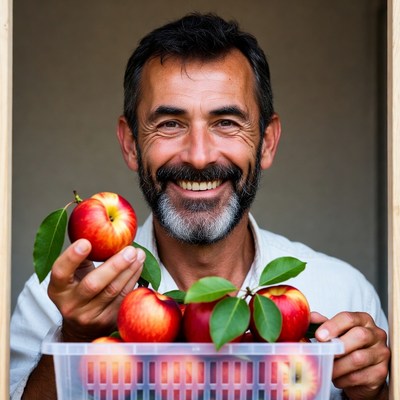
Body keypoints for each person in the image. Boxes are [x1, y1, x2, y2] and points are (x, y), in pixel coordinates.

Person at [10, 12, 390, 400]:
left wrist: (375, 394)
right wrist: (75, 335)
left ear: (268, 142)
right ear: (130, 144)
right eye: (170, 124)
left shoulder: (342, 295)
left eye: (226, 122)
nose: (199, 156)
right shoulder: (57, 302)